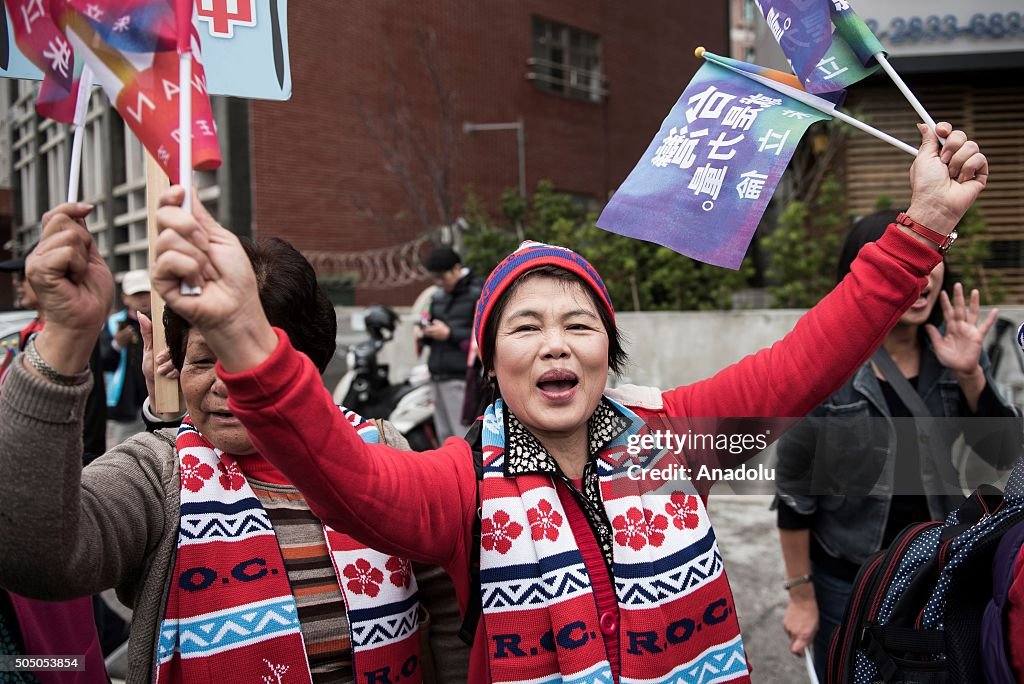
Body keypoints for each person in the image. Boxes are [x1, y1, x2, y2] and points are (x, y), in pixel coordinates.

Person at [145, 122, 988, 682]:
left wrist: (918, 232)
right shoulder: (456, 479)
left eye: (579, 323)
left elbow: (802, 363)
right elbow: (348, 477)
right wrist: (247, 339)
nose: (555, 343)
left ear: (606, 355)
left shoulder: (673, 436)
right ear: (490, 361)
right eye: (525, 328)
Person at [0, 204, 429, 684]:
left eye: (247, 361)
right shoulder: (156, 476)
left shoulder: (384, 448)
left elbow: (447, 608)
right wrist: (66, 335)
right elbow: (37, 555)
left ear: (307, 365)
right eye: (204, 361)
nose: (226, 385)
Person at [774, 210, 1021, 680]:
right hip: (848, 578)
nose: (922, 274)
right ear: (866, 274)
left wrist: (971, 373)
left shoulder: (958, 349)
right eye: (907, 259)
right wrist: (802, 595)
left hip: (939, 571)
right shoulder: (828, 363)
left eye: (932, 258)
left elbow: (1004, 456)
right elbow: (794, 495)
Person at [418, 246, 482, 441]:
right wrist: (425, 331)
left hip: (461, 377)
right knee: (444, 436)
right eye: (434, 278)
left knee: (462, 436)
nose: (439, 283)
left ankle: (468, 472)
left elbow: (481, 336)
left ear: (457, 268)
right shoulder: (437, 297)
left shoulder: (478, 294)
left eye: (442, 277)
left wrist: (449, 334)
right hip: (437, 374)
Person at [100, 268, 151, 447]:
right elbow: (104, 362)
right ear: (125, 298)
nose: (143, 299)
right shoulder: (114, 324)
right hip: (126, 403)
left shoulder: (163, 320)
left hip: (159, 402)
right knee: (125, 451)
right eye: (137, 294)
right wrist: (117, 344)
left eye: (146, 293)